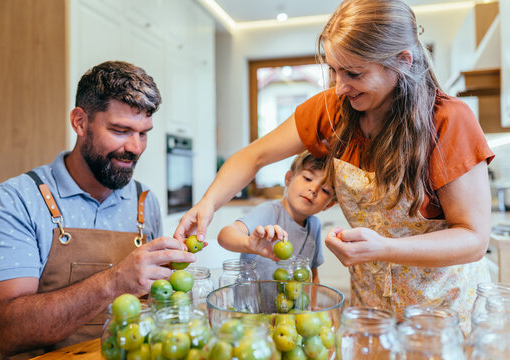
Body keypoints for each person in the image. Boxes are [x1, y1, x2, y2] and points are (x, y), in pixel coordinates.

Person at [176, 0, 494, 332]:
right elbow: (252, 157)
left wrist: (385, 248)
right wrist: (207, 204)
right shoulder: (333, 110)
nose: (339, 87)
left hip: (440, 309)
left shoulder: (448, 121)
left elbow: (472, 238)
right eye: (333, 69)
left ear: (402, 61)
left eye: (354, 73)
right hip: (370, 307)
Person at [0, 61, 196, 359]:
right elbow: (7, 331)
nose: (135, 147)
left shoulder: (145, 201)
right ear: (80, 122)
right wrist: (117, 281)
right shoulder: (18, 199)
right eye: (121, 130)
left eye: (143, 133)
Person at [217, 151, 334, 282]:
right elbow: (224, 235)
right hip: (252, 301)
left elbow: (312, 274)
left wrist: (312, 303)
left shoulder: (314, 226)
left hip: (291, 302)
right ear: (289, 178)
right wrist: (248, 243)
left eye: (325, 190)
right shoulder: (268, 211)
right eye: (307, 178)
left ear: (329, 205)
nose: (314, 189)